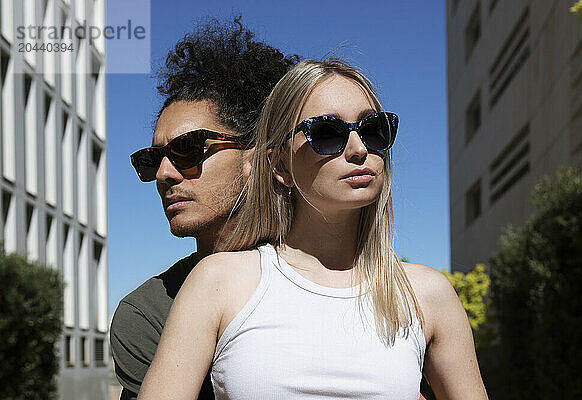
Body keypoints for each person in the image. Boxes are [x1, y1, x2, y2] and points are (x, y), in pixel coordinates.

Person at [137, 59, 489, 399]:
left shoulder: (427, 295)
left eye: (373, 129)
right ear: (280, 166)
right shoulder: (218, 281)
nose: (358, 148)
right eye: (327, 133)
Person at [110, 17, 298, 399]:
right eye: (152, 159)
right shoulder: (148, 314)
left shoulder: (349, 278)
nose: (164, 173)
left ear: (260, 158)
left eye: (188, 149)